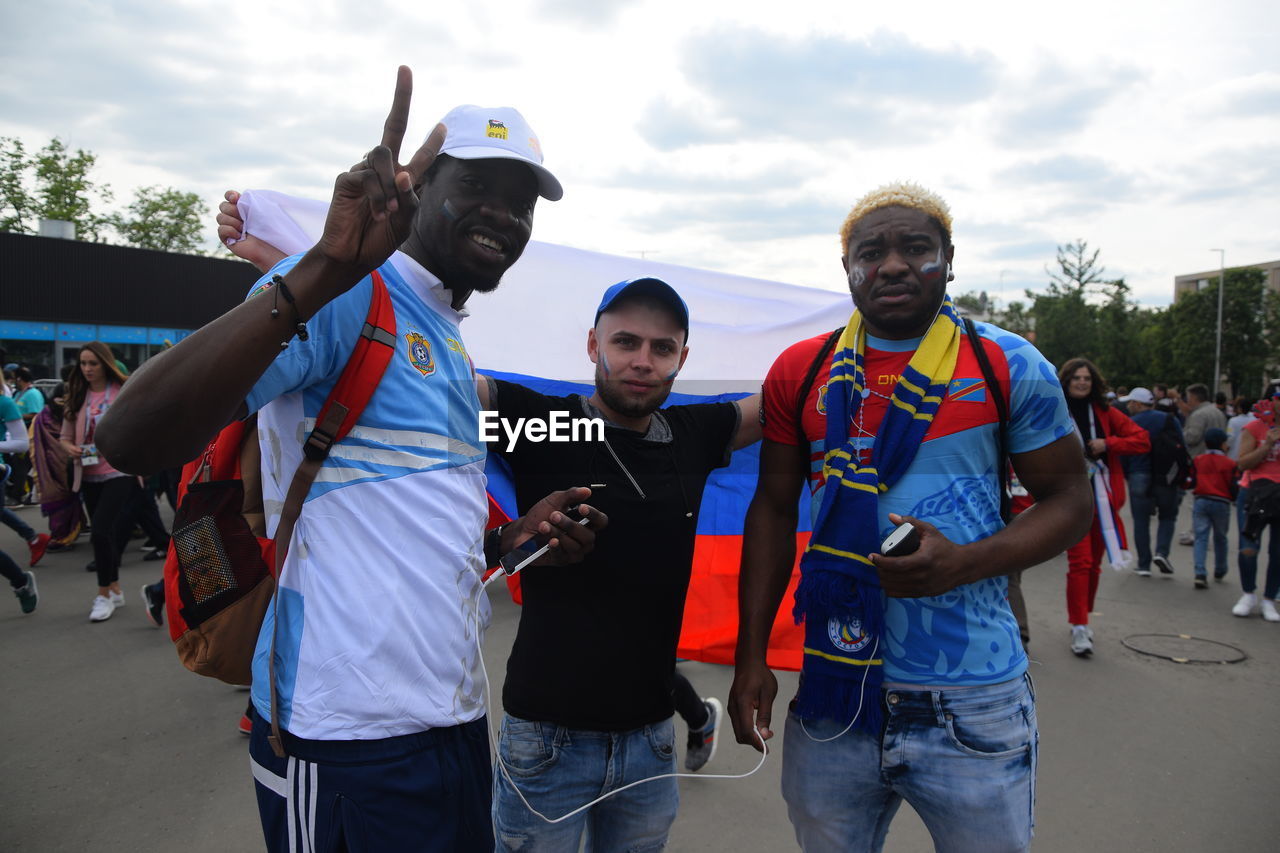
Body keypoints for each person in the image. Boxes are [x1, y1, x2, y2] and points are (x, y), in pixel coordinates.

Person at [96, 69, 604, 852]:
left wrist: (506, 542)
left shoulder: (445, 330)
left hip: (454, 723)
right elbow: (128, 439)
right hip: (342, 740)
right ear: (419, 185)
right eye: (479, 185)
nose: (506, 215)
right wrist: (327, 265)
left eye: (523, 202)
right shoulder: (344, 293)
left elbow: (403, 524)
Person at [728, 182, 1092, 853]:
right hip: (835, 691)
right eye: (872, 251)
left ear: (950, 260)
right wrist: (749, 655)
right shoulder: (799, 371)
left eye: (916, 247)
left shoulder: (1007, 363)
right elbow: (774, 510)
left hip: (974, 701)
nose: (892, 264)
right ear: (848, 270)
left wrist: (967, 561)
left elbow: (1072, 501)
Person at [481, 277, 759, 850]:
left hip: (651, 741)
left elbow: (798, 394)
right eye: (625, 342)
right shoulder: (540, 423)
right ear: (592, 344)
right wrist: (306, 264)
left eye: (662, 348)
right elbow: (424, 370)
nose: (641, 361)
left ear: (683, 358)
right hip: (546, 739)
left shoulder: (693, 436)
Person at [1060, 358, 1149, 656]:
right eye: (1076, 378)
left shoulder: (1107, 413)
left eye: (1086, 378)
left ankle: (1084, 619)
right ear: (1067, 381)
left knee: (1095, 565)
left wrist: (1108, 443)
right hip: (1069, 498)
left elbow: (1141, 440)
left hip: (1104, 499)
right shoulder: (1055, 410)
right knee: (1080, 563)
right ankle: (1079, 626)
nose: (1082, 382)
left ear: (1093, 382)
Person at [59, 342, 142, 621]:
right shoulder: (77, 394)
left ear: (105, 363)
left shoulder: (122, 391)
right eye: (83, 364)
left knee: (99, 531)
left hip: (119, 472)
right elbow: (65, 436)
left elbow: (137, 426)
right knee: (103, 533)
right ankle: (116, 587)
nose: (87, 369)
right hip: (88, 472)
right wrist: (69, 448)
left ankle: (103, 594)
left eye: (93, 363)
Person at [1120, 387, 1181, 577]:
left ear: (1138, 404)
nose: (1129, 406)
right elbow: (1181, 447)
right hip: (1166, 477)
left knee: (1141, 521)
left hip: (1138, 475)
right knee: (1168, 517)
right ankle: (1161, 553)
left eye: (1131, 402)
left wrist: (1126, 475)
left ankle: (1144, 564)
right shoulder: (1170, 420)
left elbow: (1123, 452)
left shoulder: (1129, 423)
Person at [1232, 400, 1280, 622]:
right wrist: (1267, 445)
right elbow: (1242, 463)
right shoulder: (1254, 427)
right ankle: (1248, 594)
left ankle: (1269, 600)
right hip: (1255, 493)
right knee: (1248, 547)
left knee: (1278, 552)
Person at [1191, 427, 1235, 588]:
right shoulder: (1229, 463)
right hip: (1221, 502)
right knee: (1221, 537)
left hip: (1201, 499)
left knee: (1201, 537)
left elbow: (1192, 479)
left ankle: (1200, 572)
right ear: (1222, 444)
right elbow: (1233, 484)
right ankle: (1220, 568)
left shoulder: (1199, 459)